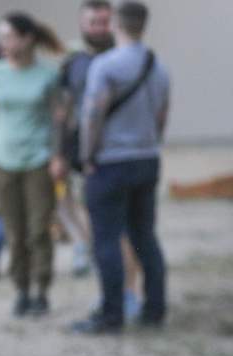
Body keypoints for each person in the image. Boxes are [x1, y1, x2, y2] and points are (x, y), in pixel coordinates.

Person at [71, 1, 170, 334]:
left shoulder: (105, 65)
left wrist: (87, 155)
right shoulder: (159, 67)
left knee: (107, 240)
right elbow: (161, 117)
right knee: (144, 236)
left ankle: (111, 313)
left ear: (115, 24)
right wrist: (147, 143)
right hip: (146, 160)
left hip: (111, 163)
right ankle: (154, 308)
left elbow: (92, 115)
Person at [0, 13, 66, 318]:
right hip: (3, 161)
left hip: (38, 160)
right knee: (14, 232)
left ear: (27, 39)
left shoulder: (47, 75)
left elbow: (58, 120)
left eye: (8, 37)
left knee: (39, 229)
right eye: (0, 37)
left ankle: (42, 288)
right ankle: (21, 290)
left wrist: (57, 156)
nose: (2, 43)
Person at [57, 0, 114, 279]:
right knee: (73, 201)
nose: (99, 28)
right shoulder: (73, 64)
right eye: (93, 22)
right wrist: (58, 152)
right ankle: (85, 246)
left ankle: (99, 250)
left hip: (115, 151)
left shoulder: (122, 59)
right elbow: (63, 111)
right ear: (82, 24)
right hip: (79, 148)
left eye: (104, 22)